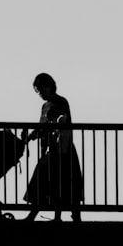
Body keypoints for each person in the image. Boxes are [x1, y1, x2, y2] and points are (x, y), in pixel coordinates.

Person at [21, 73, 83, 222]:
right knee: (57, 182)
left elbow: (61, 122)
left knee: (53, 180)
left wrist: (53, 125)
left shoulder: (60, 102)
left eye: (41, 89)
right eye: (38, 91)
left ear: (48, 86)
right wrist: (31, 136)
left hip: (60, 149)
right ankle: (59, 216)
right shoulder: (45, 106)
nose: (40, 93)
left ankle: (37, 215)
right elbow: (42, 127)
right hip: (53, 149)